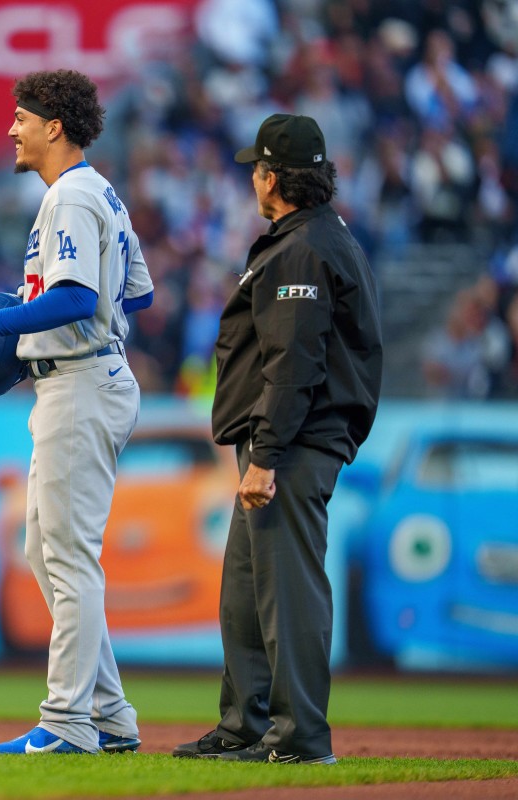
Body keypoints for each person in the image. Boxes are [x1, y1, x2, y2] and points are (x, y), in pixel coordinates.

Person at [0, 69, 154, 755]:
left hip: (81, 382)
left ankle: (68, 722)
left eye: (21, 117)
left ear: (54, 126)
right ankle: (108, 714)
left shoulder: (74, 195)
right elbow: (133, 295)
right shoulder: (97, 193)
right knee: (44, 551)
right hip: (79, 376)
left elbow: (81, 297)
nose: (11, 128)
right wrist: (43, 331)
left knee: (69, 557)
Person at [173, 113, 382, 765]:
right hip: (281, 440)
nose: (252, 180)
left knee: (286, 591)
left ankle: (299, 739)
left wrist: (265, 456)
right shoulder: (311, 237)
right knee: (245, 592)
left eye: (256, 169)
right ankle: (245, 726)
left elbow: (294, 361)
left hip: (292, 445)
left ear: (273, 178)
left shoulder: (302, 248)